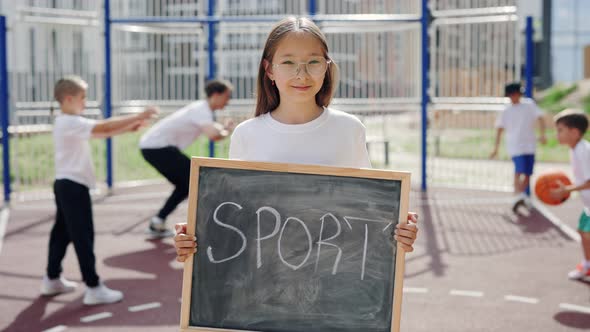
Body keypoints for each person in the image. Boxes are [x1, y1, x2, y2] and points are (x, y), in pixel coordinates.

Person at [173, 16, 418, 263]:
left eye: (313, 62)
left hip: (336, 279)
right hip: (263, 283)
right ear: (269, 69)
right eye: (288, 62)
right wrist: (198, 235)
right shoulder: (247, 134)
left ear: (327, 66)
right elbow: (237, 218)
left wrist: (399, 231)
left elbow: (368, 214)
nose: (302, 74)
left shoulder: (349, 129)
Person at [41, 75, 157, 305]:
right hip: (73, 187)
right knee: (83, 235)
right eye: (83, 97)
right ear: (68, 98)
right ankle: (93, 287)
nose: (85, 102)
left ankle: (52, 278)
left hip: (66, 185)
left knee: (61, 234)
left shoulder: (68, 122)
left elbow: (102, 132)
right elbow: (104, 126)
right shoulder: (69, 121)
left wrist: (128, 127)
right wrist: (140, 115)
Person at [139, 79, 234, 237]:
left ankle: (158, 222)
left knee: (187, 185)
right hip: (157, 147)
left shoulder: (202, 109)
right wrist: (227, 131)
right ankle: (210, 225)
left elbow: (215, 130)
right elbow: (213, 135)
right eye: (227, 96)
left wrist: (224, 129)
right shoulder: (201, 110)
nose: (228, 101)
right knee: (196, 180)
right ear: (216, 95)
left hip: (154, 147)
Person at [490, 82, 546, 212]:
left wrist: (542, 135)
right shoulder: (506, 110)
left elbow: (541, 118)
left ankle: (520, 195)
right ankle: (517, 195)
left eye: (515, 94)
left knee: (527, 173)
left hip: (530, 145)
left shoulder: (529, 105)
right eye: (511, 95)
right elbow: (499, 129)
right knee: (518, 171)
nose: (514, 97)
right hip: (515, 146)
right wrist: (496, 148)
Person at [550, 109, 590, 280]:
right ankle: (587, 264)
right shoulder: (575, 149)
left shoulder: (583, 150)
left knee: (585, 232)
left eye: (560, 130)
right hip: (588, 203)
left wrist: (566, 190)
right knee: (583, 231)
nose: (557, 134)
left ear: (574, 132)